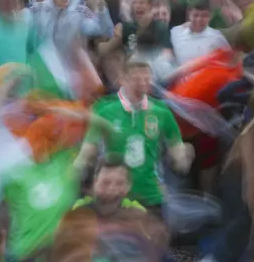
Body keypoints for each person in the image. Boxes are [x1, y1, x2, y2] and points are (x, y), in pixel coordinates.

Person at [74, 61, 195, 218]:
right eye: (136, 78)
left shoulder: (161, 112)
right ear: (122, 79)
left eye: (146, 78)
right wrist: (75, 174)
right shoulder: (103, 110)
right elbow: (87, 152)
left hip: (150, 196)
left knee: (153, 240)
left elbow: (178, 156)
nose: (143, 83)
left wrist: (185, 156)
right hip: (115, 198)